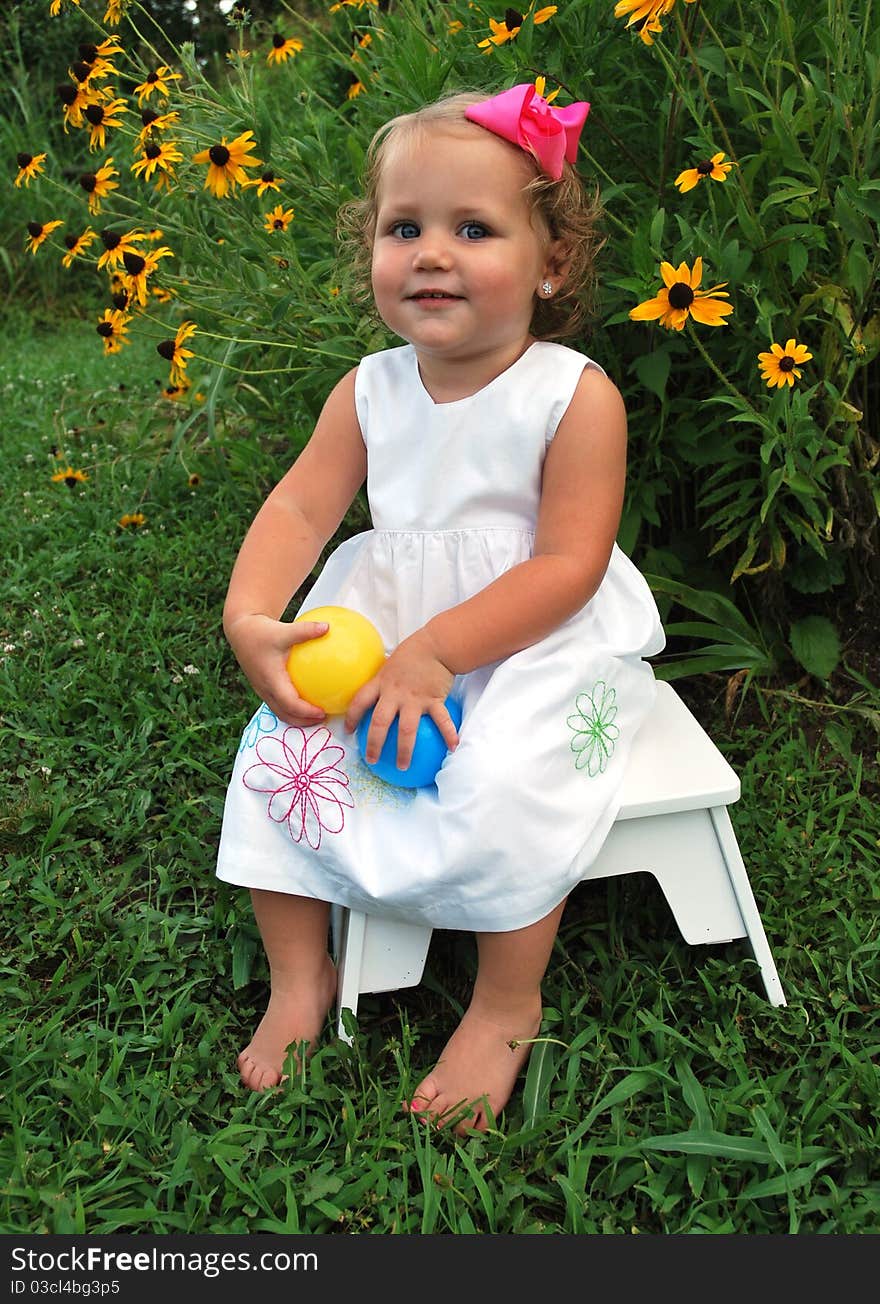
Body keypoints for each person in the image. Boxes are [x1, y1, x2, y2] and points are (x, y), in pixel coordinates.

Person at [215, 82, 665, 1134]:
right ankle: (299, 973)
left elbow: (566, 564)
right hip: (392, 620)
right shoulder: (369, 389)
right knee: (280, 754)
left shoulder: (572, 394)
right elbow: (298, 504)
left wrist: (436, 653)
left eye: (473, 228)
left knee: (508, 776)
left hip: (535, 635)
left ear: (551, 263)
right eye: (403, 226)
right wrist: (249, 613)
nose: (430, 252)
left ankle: (506, 999)